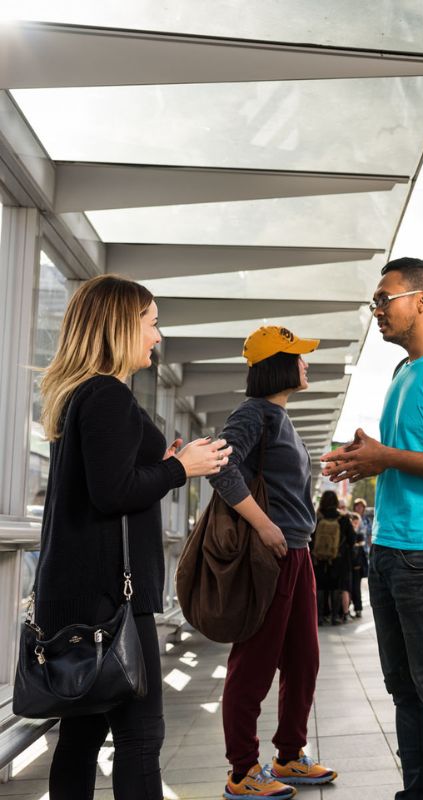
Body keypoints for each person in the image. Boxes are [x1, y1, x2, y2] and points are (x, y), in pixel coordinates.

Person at [35, 274, 230, 800]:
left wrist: (164, 465)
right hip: (109, 601)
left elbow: (106, 484)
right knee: (141, 736)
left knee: (80, 736)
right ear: (121, 326)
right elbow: (113, 493)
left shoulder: (80, 395)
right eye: (152, 322)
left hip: (78, 591)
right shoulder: (106, 396)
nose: (158, 336)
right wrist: (181, 469)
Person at [321, 257, 423, 800]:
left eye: (384, 299)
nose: (377, 312)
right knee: (404, 691)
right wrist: (368, 459)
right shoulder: (402, 374)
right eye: (375, 302)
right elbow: (404, 456)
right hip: (391, 553)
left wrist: (387, 455)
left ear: (422, 300)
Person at [208, 325, 337, 798]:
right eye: (298, 355)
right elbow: (221, 469)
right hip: (272, 555)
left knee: (304, 660)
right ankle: (243, 769)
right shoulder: (253, 414)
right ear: (275, 366)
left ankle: (288, 756)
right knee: (255, 662)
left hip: (297, 552)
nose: (306, 362)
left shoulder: (282, 418)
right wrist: (263, 525)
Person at [312, 490, 354, 626]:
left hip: (318, 559)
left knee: (320, 587)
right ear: (336, 502)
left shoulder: (316, 517)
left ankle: (319, 617)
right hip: (338, 559)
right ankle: (335, 617)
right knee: (336, 587)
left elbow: (310, 537)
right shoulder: (343, 518)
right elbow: (352, 540)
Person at [349, 518, 368, 619]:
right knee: (351, 588)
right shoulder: (350, 533)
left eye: (357, 522)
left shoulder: (359, 535)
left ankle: (358, 609)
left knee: (356, 589)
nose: (355, 524)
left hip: (357, 566)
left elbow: (360, 552)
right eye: (353, 522)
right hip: (350, 566)